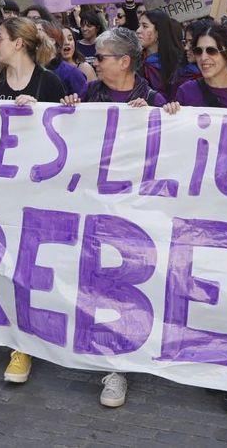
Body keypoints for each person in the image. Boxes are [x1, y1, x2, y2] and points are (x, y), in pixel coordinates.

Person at [58, 26, 164, 408]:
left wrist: (159, 117)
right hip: (94, 208)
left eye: (99, 58)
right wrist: (71, 112)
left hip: (134, 213)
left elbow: (169, 152)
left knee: (124, 290)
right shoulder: (91, 95)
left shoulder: (152, 98)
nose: (93, 63)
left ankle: (118, 367)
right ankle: (105, 357)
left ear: (124, 61)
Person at [162, 22, 227, 116]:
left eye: (211, 51)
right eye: (198, 51)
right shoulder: (186, 91)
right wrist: (170, 113)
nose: (203, 58)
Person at [0, 17, 66, 103]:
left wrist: (35, 109)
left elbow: (61, 115)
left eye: (0, 38)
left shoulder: (49, 82)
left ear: (18, 43)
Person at [133, 6, 196, 100]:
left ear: (158, 32)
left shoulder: (180, 64)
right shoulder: (134, 60)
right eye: (139, 26)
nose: (138, 31)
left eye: (145, 26)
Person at [39, 22, 88, 97]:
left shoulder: (73, 72)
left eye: (70, 39)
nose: (66, 42)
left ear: (52, 40)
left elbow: (86, 103)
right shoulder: (33, 68)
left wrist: (71, 102)